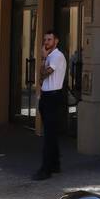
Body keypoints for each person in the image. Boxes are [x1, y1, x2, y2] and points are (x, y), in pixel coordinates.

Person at [34, 30, 68, 181]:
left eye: (49, 39)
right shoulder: (50, 56)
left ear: (56, 41)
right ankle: (55, 164)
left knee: (48, 135)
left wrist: (43, 58)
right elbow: (41, 75)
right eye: (45, 39)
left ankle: (45, 169)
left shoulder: (56, 56)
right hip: (46, 96)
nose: (46, 42)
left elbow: (44, 73)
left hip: (53, 96)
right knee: (51, 133)